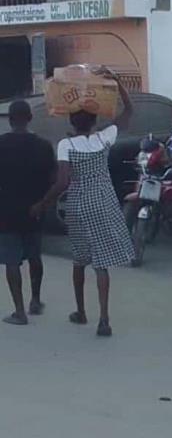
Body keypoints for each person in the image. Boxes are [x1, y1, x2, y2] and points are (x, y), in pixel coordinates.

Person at [31, 67, 135, 337]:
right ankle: (104, 319)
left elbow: (63, 182)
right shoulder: (104, 137)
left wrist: (43, 203)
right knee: (101, 264)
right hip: (104, 200)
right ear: (93, 120)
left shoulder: (67, 146)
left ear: (72, 122)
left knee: (79, 260)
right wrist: (119, 82)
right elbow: (129, 112)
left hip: (79, 204)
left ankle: (81, 311)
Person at [0, 101, 56, 325]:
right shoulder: (44, 146)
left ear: (10, 119)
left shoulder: (1, 144)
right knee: (35, 256)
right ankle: (35, 300)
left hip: (6, 209)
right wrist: (43, 202)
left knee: (11, 261)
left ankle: (19, 312)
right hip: (35, 209)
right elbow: (53, 179)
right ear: (30, 118)